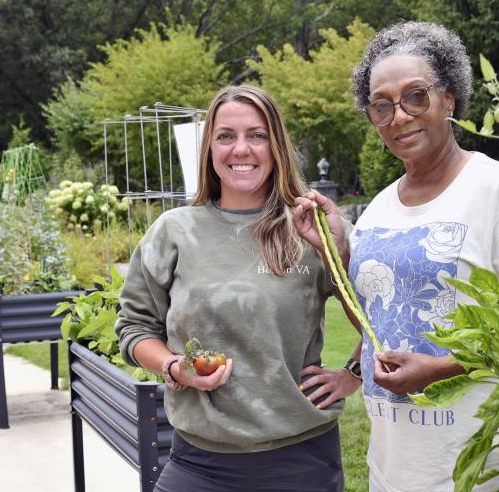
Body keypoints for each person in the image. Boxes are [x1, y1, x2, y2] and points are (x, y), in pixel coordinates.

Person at [294, 21, 499, 491]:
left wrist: (447, 368)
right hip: (393, 469)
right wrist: (338, 248)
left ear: (449, 99)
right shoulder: (377, 209)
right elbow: (378, 323)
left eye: (416, 96)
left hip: (482, 468)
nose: (399, 116)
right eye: (381, 106)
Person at [115, 85, 356, 492]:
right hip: (198, 461)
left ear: (275, 146)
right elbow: (134, 328)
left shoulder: (309, 226)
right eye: (226, 136)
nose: (241, 149)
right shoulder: (174, 231)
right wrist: (176, 368)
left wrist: (353, 373)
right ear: (209, 148)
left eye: (257, 135)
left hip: (300, 460)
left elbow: (381, 316)